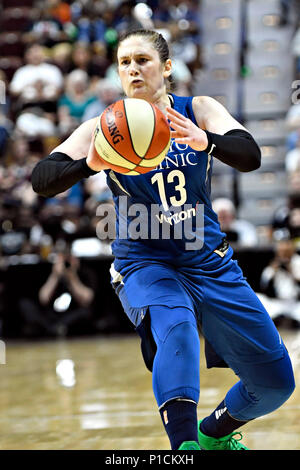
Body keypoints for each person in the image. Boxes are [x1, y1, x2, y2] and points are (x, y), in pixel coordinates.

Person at [31, 29, 295, 451]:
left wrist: (207, 141)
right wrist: (88, 163)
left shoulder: (199, 109)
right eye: (124, 62)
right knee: (177, 324)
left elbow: (251, 155)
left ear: (167, 67)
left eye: (143, 60)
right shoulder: (104, 128)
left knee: (276, 383)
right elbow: (42, 180)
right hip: (146, 262)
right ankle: (184, 449)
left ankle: (213, 434)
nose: (133, 69)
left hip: (208, 259)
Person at [258, 234, 300, 325]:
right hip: (277, 303)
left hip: (294, 304)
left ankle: (291, 321)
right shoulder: (274, 264)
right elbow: (263, 286)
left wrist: (290, 271)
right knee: (258, 297)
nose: (284, 254)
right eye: (281, 251)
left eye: (286, 251)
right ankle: (279, 320)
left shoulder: (297, 261)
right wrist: (273, 270)